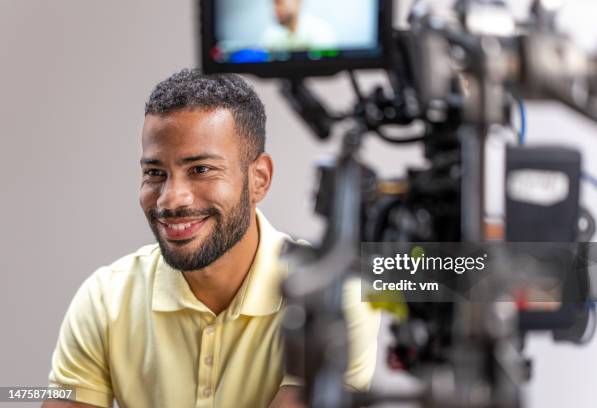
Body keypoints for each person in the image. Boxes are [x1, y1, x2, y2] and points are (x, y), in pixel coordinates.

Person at [43, 69, 380, 408]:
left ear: (260, 179)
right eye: (155, 173)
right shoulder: (105, 298)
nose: (170, 199)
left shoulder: (335, 293)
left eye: (200, 169)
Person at [261, 0, 337, 51]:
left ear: (297, 2)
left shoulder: (320, 31)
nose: (275, 8)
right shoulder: (271, 34)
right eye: (273, 3)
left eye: (279, 2)